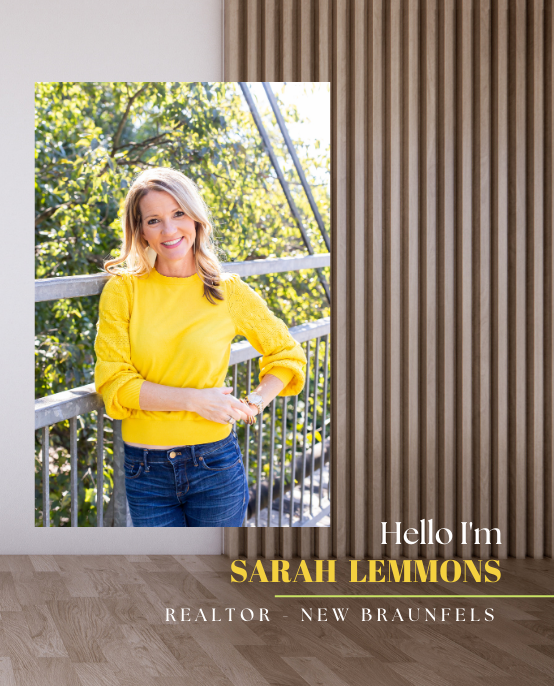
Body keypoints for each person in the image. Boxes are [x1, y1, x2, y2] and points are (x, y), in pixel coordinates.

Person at [94, 167, 307, 527]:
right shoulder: (123, 290)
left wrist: (252, 404)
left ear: (195, 219)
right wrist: (196, 400)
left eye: (178, 214)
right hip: (145, 471)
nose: (169, 230)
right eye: (154, 220)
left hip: (215, 465)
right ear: (141, 231)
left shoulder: (229, 291)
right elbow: (115, 384)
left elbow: (287, 354)